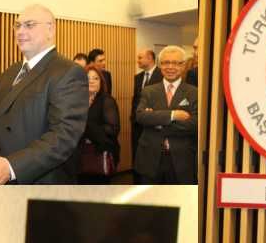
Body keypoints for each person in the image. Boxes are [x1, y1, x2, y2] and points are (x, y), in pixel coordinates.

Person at [0, 4, 88, 185]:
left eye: (29, 25)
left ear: (50, 29)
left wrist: (12, 167)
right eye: (17, 25)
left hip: (37, 181)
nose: (20, 31)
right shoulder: (10, 72)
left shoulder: (67, 72)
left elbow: (63, 135)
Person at [134, 45, 198, 184]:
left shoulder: (194, 92)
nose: (170, 67)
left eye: (176, 63)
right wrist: (173, 115)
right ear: (160, 65)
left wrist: (156, 122)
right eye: (166, 62)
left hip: (182, 160)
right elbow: (140, 117)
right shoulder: (149, 91)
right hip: (150, 159)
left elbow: (194, 124)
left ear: (183, 66)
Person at [72, 64, 120, 184]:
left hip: (98, 155)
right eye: (88, 78)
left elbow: (112, 130)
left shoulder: (107, 100)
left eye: (96, 78)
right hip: (77, 157)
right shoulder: (77, 101)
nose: (91, 81)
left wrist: (86, 123)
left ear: (101, 82)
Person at [131, 48, 159, 163]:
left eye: (140, 58)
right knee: (137, 155)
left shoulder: (162, 75)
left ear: (150, 58)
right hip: (137, 124)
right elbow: (135, 100)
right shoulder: (138, 77)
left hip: (154, 124)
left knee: (151, 158)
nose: (138, 60)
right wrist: (133, 118)